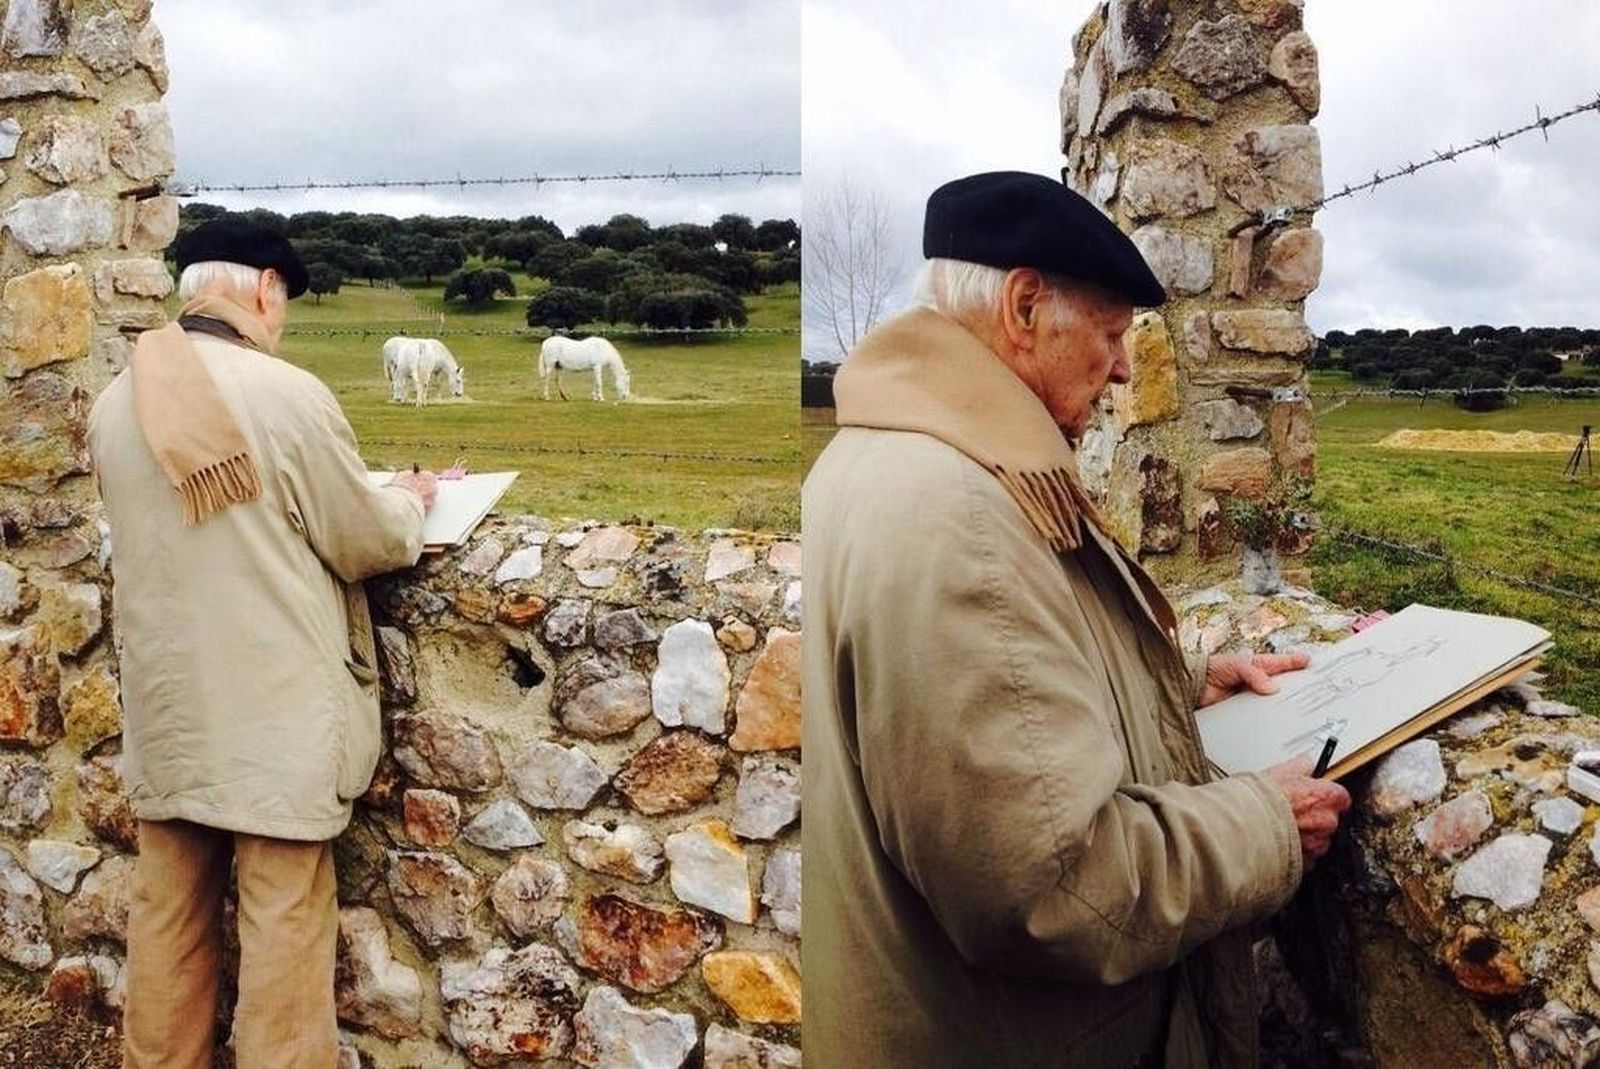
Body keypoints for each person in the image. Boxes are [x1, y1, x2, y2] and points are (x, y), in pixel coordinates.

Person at [802, 172, 1352, 1068]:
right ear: (1024, 308)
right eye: (1109, 333)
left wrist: (1171, 684)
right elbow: (1054, 887)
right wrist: (1264, 822)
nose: (1127, 368)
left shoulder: (890, 452)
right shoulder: (961, 515)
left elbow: (991, 700)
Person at [88, 217, 439, 1068]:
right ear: (265, 290)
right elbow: (362, 538)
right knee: (283, 919)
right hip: (274, 718)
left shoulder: (116, 401)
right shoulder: (288, 395)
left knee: (168, 913)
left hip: (169, 710)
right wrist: (411, 498)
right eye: (284, 302)